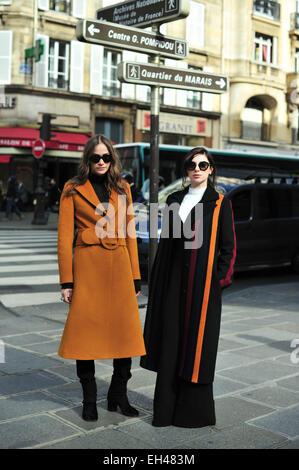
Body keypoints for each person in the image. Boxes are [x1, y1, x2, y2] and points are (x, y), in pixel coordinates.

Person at [140, 146, 236, 428]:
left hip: (202, 290)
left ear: (211, 169)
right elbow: (169, 246)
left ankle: (192, 414)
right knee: (171, 344)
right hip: (172, 287)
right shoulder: (174, 199)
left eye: (203, 164)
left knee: (196, 348)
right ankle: (165, 412)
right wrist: (159, 284)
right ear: (186, 169)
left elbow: (228, 250)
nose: (197, 168)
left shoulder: (219, 203)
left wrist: (216, 282)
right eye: (192, 164)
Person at [57, 134, 146, 422]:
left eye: (106, 157)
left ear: (112, 159)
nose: (101, 162)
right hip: (88, 268)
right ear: (87, 159)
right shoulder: (72, 189)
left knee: (125, 334)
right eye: (95, 157)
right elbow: (63, 237)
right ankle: (89, 400)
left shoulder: (122, 187)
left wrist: (135, 276)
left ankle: (118, 395)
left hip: (120, 267)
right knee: (86, 336)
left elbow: (130, 232)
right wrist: (66, 282)